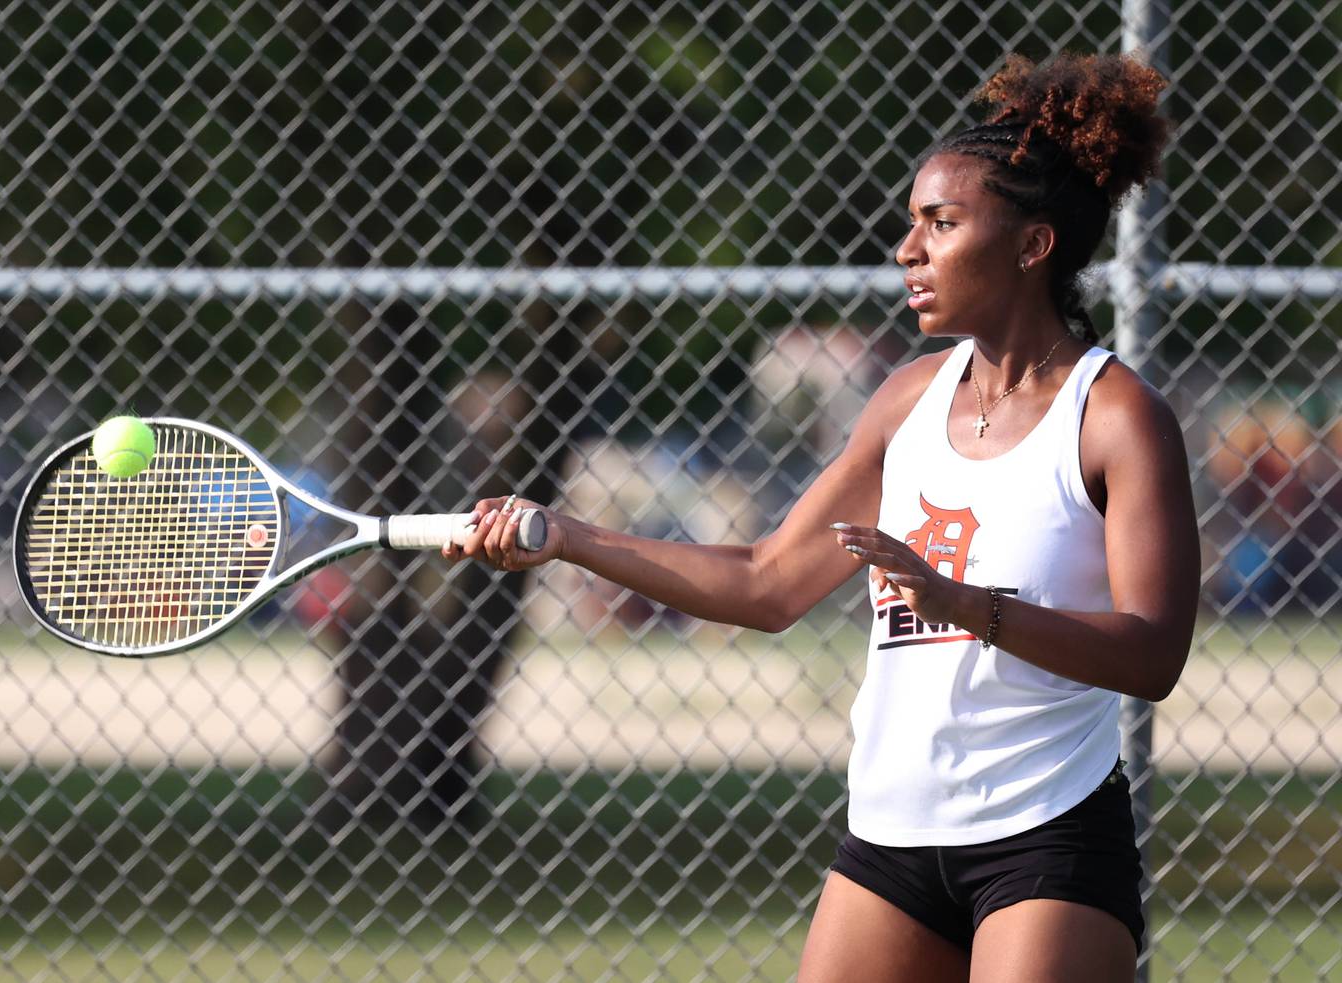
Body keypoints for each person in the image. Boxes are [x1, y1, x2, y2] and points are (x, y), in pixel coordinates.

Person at [444, 52, 1199, 983]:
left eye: (941, 223)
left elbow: (1152, 654)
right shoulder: (906, 402)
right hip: (888, 840)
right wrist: (571, 537)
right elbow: (767, 583)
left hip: (1046, 839)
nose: (907, 250)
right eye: (911, 223)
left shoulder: (1117, 417)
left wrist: (964, 604)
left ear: (1033, 245)